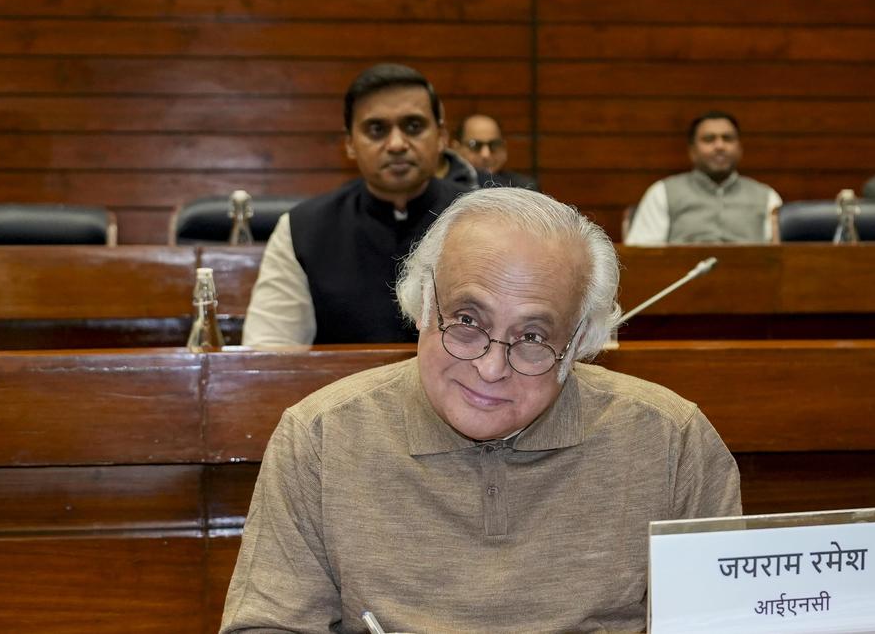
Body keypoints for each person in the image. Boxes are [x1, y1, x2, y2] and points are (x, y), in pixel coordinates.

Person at [220, 188, 742, 633]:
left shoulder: (672, 441)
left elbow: (725, 623)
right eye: (467, 321)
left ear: (579, 342)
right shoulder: (319, 439)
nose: (491, 369)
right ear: (424, 305)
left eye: (533, 337)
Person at [242, 63, 465, 346]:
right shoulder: (302, 231)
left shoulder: (484, 219)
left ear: (441, 137)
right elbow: (269, 350)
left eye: (413, 126)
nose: (397, 144)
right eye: (377, 129)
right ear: (349, 143)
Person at [625, 110, 781, 245]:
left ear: (740, 148)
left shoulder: (767, 197)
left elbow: (780, 259)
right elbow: (642, 255)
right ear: (692, 150)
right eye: (709, 139)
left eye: (727, 138)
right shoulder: (662, 193)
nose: (719, 146)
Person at [451, 113, 540, 191]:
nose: (486, 154)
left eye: (494, 145)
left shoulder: (524, 187)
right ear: (456, 148)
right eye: (475, 145)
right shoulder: (448, 188)